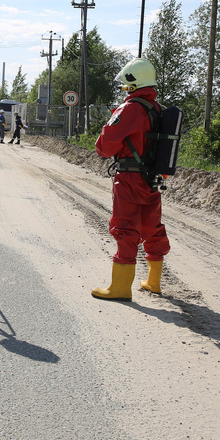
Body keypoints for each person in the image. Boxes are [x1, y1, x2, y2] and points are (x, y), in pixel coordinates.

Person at [90, 58, 170, 300]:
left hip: (129, 178)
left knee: (125, 228)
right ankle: (153, 282)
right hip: (152, 178)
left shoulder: (130, 109)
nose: (124, 89)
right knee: (152, 228)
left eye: (125, 84)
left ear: (133, 84)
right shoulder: (157, 110)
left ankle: (120, 288)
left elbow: (104, 146)